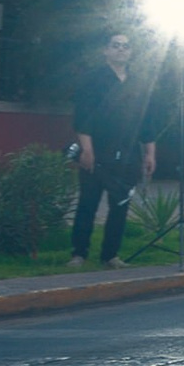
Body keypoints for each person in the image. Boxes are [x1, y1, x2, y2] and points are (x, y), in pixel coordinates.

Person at [70, 29, 156, 268]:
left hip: (128, 154)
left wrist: (149, 153)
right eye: (116, 45)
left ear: (131, 52)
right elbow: (83, 117)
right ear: (105, 50)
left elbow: (146, 121)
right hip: (97, 151)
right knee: (88, 202)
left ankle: (111, 255)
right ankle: (79, 253)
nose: (121, 49)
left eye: (126, 46)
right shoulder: (93, 79)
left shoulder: (138, 83)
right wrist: (87, 149)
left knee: (120, 205)